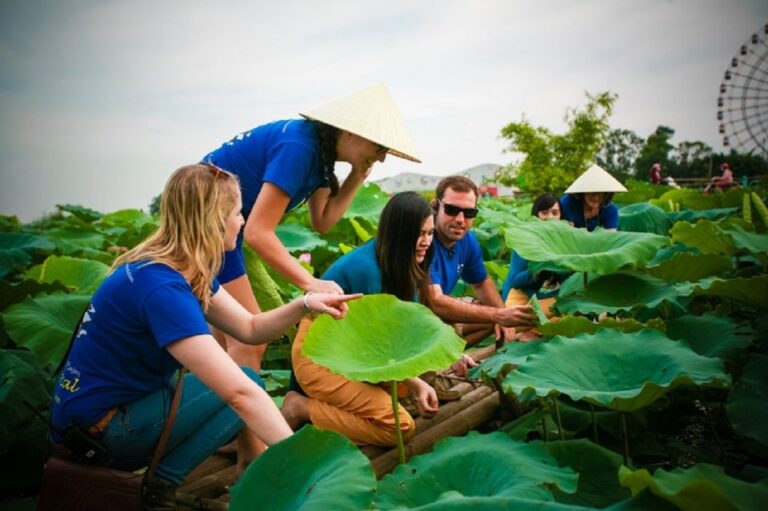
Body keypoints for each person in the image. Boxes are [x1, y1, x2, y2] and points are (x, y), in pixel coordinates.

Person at [49, 163, 359, 509]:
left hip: (100, 412)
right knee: (245, 389)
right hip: (101, 431)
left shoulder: (177, 267)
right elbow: (240, 394)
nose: (242, 222)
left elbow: (249, 328)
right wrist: (309, 472)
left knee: (245, 385)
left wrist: (304, 303)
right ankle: (159, 488)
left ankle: (158, 490)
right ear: (214, 219)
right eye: (238, 212)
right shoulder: (162, 288)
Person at [201, 83, 420, 374]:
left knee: (224, 343)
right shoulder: (299, 148)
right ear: (351, 131)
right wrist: (309, 283)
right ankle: (237, 417)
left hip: (227, 233)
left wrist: (357, 174)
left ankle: (213, 411)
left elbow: (324, 221)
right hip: (208, 227)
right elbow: (258, 232)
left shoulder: (321, 153)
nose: (381, 158)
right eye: (379, 148)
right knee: (248, 342)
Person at [282, 192, 442, 446]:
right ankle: (300, 407)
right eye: (420, 234)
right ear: (399, 232)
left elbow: (408, 325)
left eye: (430, 233)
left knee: (402, 387)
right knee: (399, 427)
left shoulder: (398, 260)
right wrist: (418, 384)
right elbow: (375, 348)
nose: (426, 242)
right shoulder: (366, 270)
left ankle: (318, 408)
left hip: (350, 353)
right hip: (320, 355)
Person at [427, 176, 535, 346]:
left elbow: (481, 283)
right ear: (435, 206)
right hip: (409, 316)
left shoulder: (467, 240)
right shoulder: (423, 239)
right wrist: (498, 315)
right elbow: (435, 302)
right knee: (491, 315)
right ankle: (440, 360)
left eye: (469, 213)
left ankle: (450, 356)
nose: (460, 220)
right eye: (452, 210)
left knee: (493, 315)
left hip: (434, 314)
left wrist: (501, 313)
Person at [502, 193, 569, 339]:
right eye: (544, 212)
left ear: (561, 216)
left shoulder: (567, 242)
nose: (550, 217)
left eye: (555, 213)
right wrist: (538, 268)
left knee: (562, 321)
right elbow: (515, 280)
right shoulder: (524, 241)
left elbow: (569, 278)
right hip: (523, 295)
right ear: (536, 215)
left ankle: (527, 334)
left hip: (552, 299)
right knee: (507, 322)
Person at [560, 164, 627, 232]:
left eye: (600, 193)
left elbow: (611, 235)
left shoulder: (610, 209)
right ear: (583, 191)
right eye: (591, 192)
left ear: (606, 194)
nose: (595, 197)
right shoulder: (567, 203)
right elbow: (568, 234)